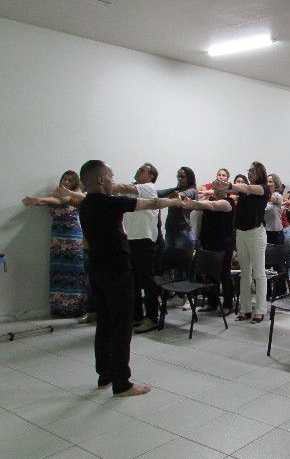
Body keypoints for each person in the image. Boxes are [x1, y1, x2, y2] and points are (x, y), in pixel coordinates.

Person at [78, 159, 182, 397]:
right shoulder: (109, 203)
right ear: (100, 179)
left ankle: (104, 374)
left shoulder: (85, 205)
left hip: (98, 269)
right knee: (122, 325)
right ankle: (122, 383)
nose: (114, 181)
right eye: (111, 176)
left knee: (104, 322)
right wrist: (177, 201)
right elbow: (153, 203)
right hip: (117, 270)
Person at [22, 171, 88, 317]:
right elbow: (53, 200)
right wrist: (38, 201)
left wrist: (39, 199)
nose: (66, 182)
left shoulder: (75, 193)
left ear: (75, 183)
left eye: (70, 180)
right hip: (58, 237)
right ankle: (60, 308)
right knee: (59, 271)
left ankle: (76, 308)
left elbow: (61, 201)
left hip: (72, 237)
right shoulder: (56, 193)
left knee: (74, 272)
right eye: (65, 179)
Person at [213, 162, 269, 324]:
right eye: (249, 171)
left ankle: (259, 310)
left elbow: (249, 188)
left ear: (260, 172)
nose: (250, 173)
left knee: (259, 273)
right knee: (245, 273)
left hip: (256, 233)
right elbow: (233, 189)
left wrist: (230, 185)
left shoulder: (263, 188)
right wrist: (220, 187)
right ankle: (245, 309)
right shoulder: (244, 190)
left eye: (253, 170)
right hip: (242, 233)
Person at [112, 163, 161, 334]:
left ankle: (152, 317)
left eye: (142, 170)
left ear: (151, 176)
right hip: (131, 239)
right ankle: (137, 316)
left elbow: (124, 188)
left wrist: (111, 184)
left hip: (145, 239)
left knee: (147, 280)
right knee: (132, 280)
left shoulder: (148, 188)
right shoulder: (132, 189)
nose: (138, 170)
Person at [182, 190, 235, 315]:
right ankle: (212, 302)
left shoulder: (228, 202)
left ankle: (228, 304)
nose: (218, 190)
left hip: (223, 243)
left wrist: (194, 203)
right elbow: (202, 208)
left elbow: (213, 206)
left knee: (224, 273)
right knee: (210, 274)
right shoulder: (209, 201)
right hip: (208, 241)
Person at [158, 167, 197, 252]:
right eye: (178, 176)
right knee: (169, 260)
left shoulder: (192, 191)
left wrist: (175, 196)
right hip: (170, 230)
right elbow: (157, 193)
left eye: (182, 177)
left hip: (183, 231)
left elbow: (184, 194)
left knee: (181, 262)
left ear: (189, 178)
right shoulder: (175, 190)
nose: (179, 179)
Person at [264, 174, 285, 245]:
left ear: (275, 184)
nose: (268, 184)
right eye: (266, 182)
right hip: (264, 231)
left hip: (276, 233)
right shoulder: (263, 197)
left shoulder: (278, 196)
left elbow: (270, 198)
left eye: (270, 182)